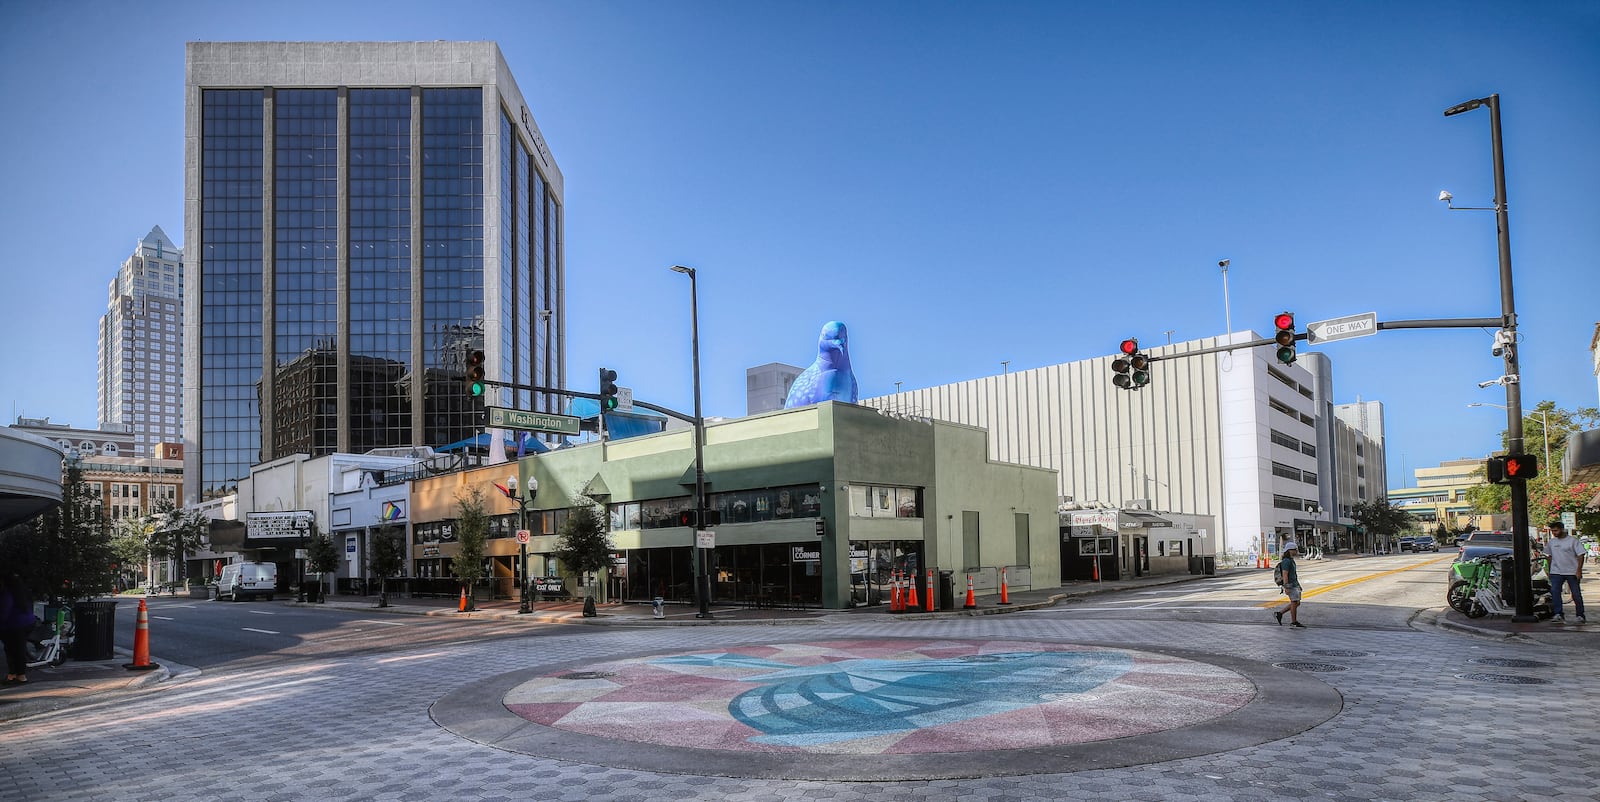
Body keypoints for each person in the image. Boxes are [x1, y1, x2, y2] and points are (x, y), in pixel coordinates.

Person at [1544, 520, 1586, 625]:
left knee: (1576, 594)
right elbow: (1548, 556)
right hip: (1556, 572)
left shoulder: (1572, 541)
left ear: (1562, 529)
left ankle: (1580, 615)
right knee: (1555, 592)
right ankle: (1558, 614)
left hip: (1572, 571)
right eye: (1553, 531)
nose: (1554, 533)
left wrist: (1579, 570)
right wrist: (1549, 570)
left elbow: (1581, 555)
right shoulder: (1552, 542)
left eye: (1556, 530)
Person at [0, 573, 38, 685]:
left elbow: (4, 612)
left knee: (14, 650)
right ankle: (15, 675)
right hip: (27, 622)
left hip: (15, 625)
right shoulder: (23, 591)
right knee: (16, 649)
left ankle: (20, 676)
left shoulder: (7, 593)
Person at [1272, 541, 1306, 628]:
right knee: (1294, 602)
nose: (1296, 551)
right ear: (1290, 550)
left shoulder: (1291, 560)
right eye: (1295, 549)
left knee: (1297, 603)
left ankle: (1279, 614)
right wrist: (1286, 586)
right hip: (1290, 585)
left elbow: (1293, 574)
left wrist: (1298, 585)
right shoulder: (1286, 561)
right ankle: (1294, 622)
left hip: (1294, 584)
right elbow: (1285, 574)